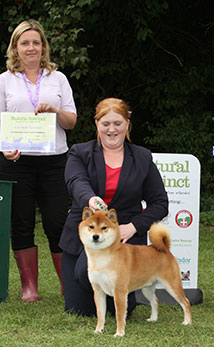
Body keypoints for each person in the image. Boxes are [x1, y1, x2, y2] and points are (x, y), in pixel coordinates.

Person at [59, 97, 169, 317]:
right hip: (87, 238)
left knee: (121, 311)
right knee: (79, 310)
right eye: (105, 123)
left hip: (124, 242)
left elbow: (160, 203)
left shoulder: (142, 157)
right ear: (96, 124)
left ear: (127, 124)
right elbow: (76, 182)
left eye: (117, 123)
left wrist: (133, 227)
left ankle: (121, 296)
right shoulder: (80, 152)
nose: (112, 130)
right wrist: (90, 199)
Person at [0, 19, 77, 302]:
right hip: (15, 162)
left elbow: (71, 122)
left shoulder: (58, 79)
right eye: (24, 43)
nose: (31, 48)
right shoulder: (4, 80)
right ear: (15, 48)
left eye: (36, 42)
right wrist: (3, 148)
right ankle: (29, 288)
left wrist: (55, 110)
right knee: (21, 222)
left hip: (54, 161)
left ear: (43, 46)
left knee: (58, 221)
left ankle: (66, 283)